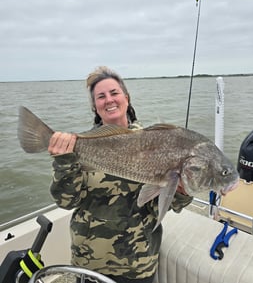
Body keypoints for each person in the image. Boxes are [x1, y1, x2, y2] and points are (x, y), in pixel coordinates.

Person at [48, 66, 193, 283]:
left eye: (114, 93)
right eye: (101, 96)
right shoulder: (79, 145)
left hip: (139, 263)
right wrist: (64, 162)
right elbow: (67, 201)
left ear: (126, 98)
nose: (109, 100)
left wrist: (181, 191)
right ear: (95, 107)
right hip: (89, 261)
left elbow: (162, 206)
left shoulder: (156, 142)